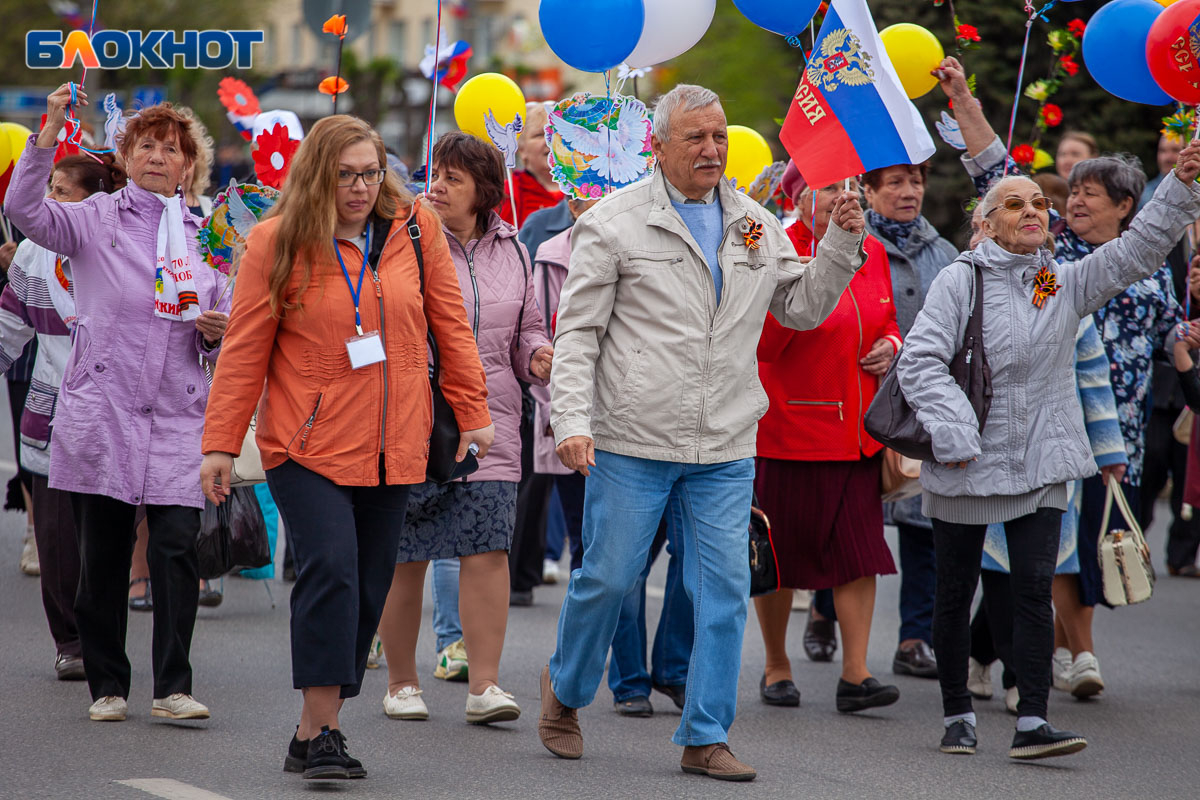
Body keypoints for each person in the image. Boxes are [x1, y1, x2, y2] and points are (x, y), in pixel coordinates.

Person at [539, 83, 866, 781]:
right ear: (657, 146)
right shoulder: (614, 222)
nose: (712, 149)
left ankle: (705, 734)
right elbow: (579, 334)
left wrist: (839, 240)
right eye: (696, 137)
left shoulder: (754, 223)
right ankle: (565, 690)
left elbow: (802, 309)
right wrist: (570, 421)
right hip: (632, 438)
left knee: (721, 590)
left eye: (719, 135)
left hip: (724, 444)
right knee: (608, 576)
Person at [200, 115, 493, 780]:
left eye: (371, 172)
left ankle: (309, 731)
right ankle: (327, 731)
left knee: (367, 587)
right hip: (304, 445)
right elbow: (245, 349)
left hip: (397, 442)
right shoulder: (275, 240)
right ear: (316, 176)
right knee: (330, 570)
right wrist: (220, 442)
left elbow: (451, 323)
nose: (361, 187)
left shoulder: (415, 228)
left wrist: (474, 413)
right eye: (345, 175)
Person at [896, 130, 1200, 761]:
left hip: (1042, 461)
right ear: (985, 223)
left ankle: (1032, 720)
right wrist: (954, 434)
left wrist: (1183, 184)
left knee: (1035, 589)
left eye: (1039, 201)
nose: (1032, 210)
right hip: (964, 465)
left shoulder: (1062, 283)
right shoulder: (960, 281)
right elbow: (919, 363)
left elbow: (1138, 251)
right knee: (956, 595)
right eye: (1014, 204)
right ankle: (957, 714)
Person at [941, 57, 1184, 695]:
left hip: (1113, 428)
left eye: (1086, 194)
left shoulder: (1146, 268)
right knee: (1033, 557)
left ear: (1126, 205)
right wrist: (965, 100)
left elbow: (1159, 302)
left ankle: (1020, 664)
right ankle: (1048, 666)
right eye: (1066, 194)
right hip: (1035, 427)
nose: (1068, 204)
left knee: (1067, 553)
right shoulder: (1052, 260)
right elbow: (998, 179)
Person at [5, 86, 231, 724]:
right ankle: (107, 684)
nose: (159, 156)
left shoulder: (209, 237)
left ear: (190, 165)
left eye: (173, 148)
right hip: (103, 408)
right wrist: (47, 132)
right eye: (147, 145)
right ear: (127, 155)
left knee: (176, 549)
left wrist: (218, 330)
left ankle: (173, 686)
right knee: (100, 554)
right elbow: (25, 210)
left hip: (180, 413)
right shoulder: (96, 218)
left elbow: (229, 328)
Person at [375, 131, 550, 724]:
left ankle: (486, 686)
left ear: (484, 189)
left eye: (453, 178)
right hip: (413, 419)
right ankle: (401, 683)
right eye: (435, 175)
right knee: (405, 555)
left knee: (488, 550)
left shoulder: (515, 251)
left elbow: (527, 330)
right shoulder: (402, 241)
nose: (438, 186)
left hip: (492, 422)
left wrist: (538, 356)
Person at [753, 169, 901, 712]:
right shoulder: (777, 249)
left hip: (857, 433)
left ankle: (856, 674)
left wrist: (891, 343)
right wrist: (822, 268)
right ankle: (776, 665)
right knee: (779, 556)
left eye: (852, 191)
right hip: (792, 431)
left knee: (858, 556)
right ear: (798, 198)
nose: (845, 200)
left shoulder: (874, 251)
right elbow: (767, 344)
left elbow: (886, 316)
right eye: (830, 189)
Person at [0, 154, 124, 680]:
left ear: (95, 203)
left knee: (107, 539)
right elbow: (8, 330)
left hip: (119, 418)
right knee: (55, 537)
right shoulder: (31, 255)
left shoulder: (124, 249)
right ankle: (70, 641)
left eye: (63, 191)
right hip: (52, 415)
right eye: (48, 189)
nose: (52, 201)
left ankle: (108, 641)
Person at [860, 157, 959, 679]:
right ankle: (829, 617)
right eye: (895, 182)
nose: (909, 191)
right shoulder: (850, 241)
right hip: (860, 401)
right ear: (869, 191)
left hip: (922, 408)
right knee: (853, 522)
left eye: (916, 181)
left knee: (925, 525)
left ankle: (914, 638)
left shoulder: (942, 252)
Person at [499, 102, 564, 227]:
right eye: (539, 135)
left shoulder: (585, 187)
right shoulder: (509, 193)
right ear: (521, 149)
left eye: (556, 133)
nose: (549, 141)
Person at [1140, 134, 1184, 208]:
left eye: (1175, 150)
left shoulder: (1196, 195)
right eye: (1162, 150)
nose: (1167, 158)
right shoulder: (1145, 196)